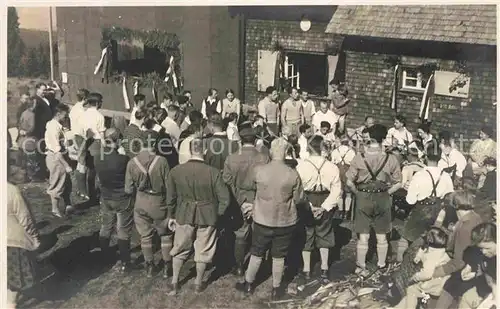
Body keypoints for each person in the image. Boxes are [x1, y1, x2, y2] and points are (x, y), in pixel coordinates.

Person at [235, 138, 303, 300]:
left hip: (262, 219)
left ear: (271, 152)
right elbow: (299, 199)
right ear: (286, 153)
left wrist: (251, 204)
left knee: (257, 251)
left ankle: (249, 283)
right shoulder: (292, 174)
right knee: (279, 255)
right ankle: (276, 288)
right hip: (285, 220)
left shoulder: (260, 171)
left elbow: (247, 187)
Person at [166, 138, 231, 295]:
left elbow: (171, 198)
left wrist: (171, 216)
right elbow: (225, 199)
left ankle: (174, 282)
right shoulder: (213, 172)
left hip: (183, 213)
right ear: (205, 151)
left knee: (179, 248)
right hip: (208, 215)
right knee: (204, 249)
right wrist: (217, 214)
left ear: (190, 151)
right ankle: (198, 283)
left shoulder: (176, 171)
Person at [345, 124, 402, 276]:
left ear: (370, 138)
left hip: (363, 196)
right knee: (382, 235)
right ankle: (382, 265)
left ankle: (361, 266)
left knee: (363, 236)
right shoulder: (391, 159)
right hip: (383, 196)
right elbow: (398, 183)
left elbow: (349, 182)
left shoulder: (360, 157)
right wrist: (386, 192)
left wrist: (358, 193)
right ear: (383, 139)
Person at [124, 132, 174, 278]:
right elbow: (169, 186)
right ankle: (166, 266)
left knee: (145, 236)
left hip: (141, 202)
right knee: (165, 235)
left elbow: (128, 189)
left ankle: (150, 265)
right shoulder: (162, 161)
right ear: (153, 145)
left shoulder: (132, 163)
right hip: (159, 202)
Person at [222, 127, 270, 276]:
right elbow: (267, 183)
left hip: (238, 199)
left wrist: (242, 202)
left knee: (240, 234)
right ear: (255, 141)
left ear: (241, 141)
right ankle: (259, 265)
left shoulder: (232, 158)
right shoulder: (264, 158)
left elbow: (227, 182)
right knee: (259, 233)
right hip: (259, 198)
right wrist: (254, 202)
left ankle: (239, 266)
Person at [296, 135, 341, 282]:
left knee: (307, 233)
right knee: (325, 232)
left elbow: (298, 190)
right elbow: (337, 190)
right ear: (322, 148)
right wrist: (324, 207)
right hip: (325, 199)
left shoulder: (301, 166)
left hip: (307, 199)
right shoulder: (332, 167)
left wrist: (309, 207)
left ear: (308, 148)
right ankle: (324, 268)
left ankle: (307, 269)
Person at [397, 144, 454, 261]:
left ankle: (399, 263)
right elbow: (450, 197)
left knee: (406, 237)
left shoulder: (419, 175)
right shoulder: (446, 176)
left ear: (426, 157)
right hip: (438, 213)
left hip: (420, 211)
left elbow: (410, 200)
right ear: (440, 158)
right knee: (431, 240)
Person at [433, 190, 485, 309]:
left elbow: (458, 262)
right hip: (473, 266)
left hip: (463, 270)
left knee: (445, 294)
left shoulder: (464, 228)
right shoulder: (475, 217)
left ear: (456, 206)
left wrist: (436, 272)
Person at [94, 128, 133, 273]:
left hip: (106, 197)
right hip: (121, 198)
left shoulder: (97, 157)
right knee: (123, 230)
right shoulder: (123, 160)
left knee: (106, 226)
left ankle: (105, 256)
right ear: (117, 141)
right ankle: (125, 262)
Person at [392, 227, 451, 309]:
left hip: (434, 285)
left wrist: (415, 277)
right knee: (411, 293)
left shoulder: (431, 257)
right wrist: (419, 255)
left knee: (411, 290)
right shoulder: (441, 251)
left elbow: (427, 274)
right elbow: (423, 249)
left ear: (429, 241)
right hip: (443, 282)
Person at [7, 182, 41, 309]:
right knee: (12, 285)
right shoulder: (10, 190)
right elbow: (25, 218)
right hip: (11, 242)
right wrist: (34, 237)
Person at [45, 103, 73, 218]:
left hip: (60, 155)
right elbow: (57, 151)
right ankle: (55, 209)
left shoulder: (57, 125)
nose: (66, 117)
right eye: (65, 115)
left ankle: (68, 205)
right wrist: (66, 165)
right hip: (56, 158)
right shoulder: (53, 128)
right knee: (57, 183)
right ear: (58, 114)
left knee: (66, 182)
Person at [69, 88, 90, 200]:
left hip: (76, 136)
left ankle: (78, 188)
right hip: (80, 137)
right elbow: (84, 126)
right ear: (85, 98)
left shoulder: (75, 108)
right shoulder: (81, 111)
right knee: (82, 164)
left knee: (79, 163)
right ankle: (83, 191)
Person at [331, 134, 356, 219]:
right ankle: (347, 212)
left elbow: (332, 163)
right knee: (348, 193)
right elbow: (354, 164)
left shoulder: (335, 151)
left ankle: (341, 211)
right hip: (348, 171)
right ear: (348, 142)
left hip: (338, 172)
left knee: (340, 193)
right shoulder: (351, 151)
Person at [32, 83, 52, 179]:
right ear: (37, 89)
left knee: (44, 150)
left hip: (46, 128)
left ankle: (44, 170)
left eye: (45, 90)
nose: (44, 92)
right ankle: (41, 173)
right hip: (40, 129)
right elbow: (34, 116)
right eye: (42, 90)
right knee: (40, 150)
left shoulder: (45, 99)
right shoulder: (36, 100)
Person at [17, 97, 38, 182]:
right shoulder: (32, 114)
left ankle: (23, 176)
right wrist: (27, 132)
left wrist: (21, 131)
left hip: (21, 140)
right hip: (28, 140)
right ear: (33, 105)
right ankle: (29, 176)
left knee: (23, 159)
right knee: (30, 159)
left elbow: (19, 124)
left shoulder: (24, 113)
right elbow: (32, 127)